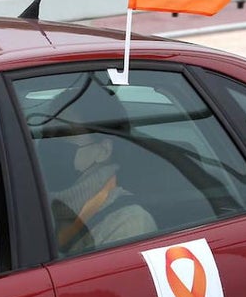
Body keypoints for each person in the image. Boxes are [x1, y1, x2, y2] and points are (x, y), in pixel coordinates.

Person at [32, 77, 156, 255]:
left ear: (103, 151)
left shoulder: (129, 223)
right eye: (46, 134)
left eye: (63, 134)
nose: (50, 143)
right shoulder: (31, 202)